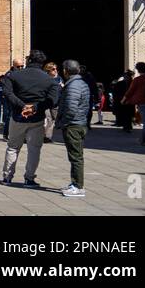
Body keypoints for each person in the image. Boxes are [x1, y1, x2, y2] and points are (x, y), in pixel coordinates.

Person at [0, 49, 60, 186]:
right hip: (37, 118)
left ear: (28, 61)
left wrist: (22, 106)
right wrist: (35, 107)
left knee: (13, 147)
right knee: (34, 149)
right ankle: (29, 178)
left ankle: (7, 177)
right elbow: (53, 100)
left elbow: (7, 93)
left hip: (17, 117)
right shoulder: (49, 80)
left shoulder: (14, 76)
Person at [55, 59, 91, 198]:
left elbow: (70, 107)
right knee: (76, 156)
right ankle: (75, 183)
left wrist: (64, 121)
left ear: (66, 71)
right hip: (80, 122)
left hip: (73, 125)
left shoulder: (73, 86)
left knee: (75, 157)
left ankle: (78, 186)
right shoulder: (81, 83)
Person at [42, 62, 61, 141]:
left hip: (55, 103)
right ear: (48, 70)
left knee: (53, 120)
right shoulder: (44, 79)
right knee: (47, 119)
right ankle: (44, 136)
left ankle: (47, 137)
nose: (55, 70)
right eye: (53, 69)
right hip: (46, 102)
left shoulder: (59, 78)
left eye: (56, 69)